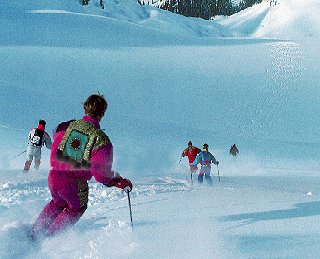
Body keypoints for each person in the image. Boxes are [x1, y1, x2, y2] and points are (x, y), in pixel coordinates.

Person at [31, 94, 133, 239]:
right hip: (73, 182)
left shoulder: (66, 126)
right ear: (102, 113)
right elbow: (100, 173)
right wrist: (118, 181)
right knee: (76, 208)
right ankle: (49, 239)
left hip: (54, 176)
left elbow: (56, 135)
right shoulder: (101, 140)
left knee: (57, 203)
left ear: (85, 108)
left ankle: (34, 234)